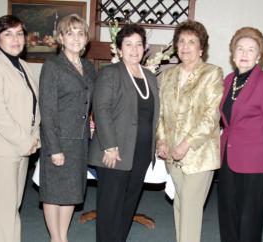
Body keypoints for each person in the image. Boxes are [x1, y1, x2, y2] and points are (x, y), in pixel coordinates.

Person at [88, 23, 159, 242]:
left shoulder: (150, 77)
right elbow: (101, 109)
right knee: (110, 207)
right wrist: (109, 145)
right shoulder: (110, 73)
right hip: (115, 152)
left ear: (145, 48)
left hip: (141, 152)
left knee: (129, 204)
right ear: (119, 49)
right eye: (128, 44)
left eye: (139, 44)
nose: (134, 49)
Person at [156, 20, 223, 242]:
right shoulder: (167, 76)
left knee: (191, 209)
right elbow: (162, 114)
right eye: (181, 42)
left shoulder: (212, 73)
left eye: (191, 42)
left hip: (198, 154)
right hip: (172, 154)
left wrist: (186, 143)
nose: (185, 46)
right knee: (180, 205)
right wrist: (162, 140)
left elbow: (210, 116)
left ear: (201, 48)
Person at [0, 15, 40, 242]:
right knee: (3, 212)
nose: (15, 39)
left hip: (21, 149)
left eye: (19, 34)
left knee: (12, 208)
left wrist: (35, 137)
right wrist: (25, 140)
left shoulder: (23, 65)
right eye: (8, 34)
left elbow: (34, 106)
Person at [218, 27, 263, 242]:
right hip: (227, 157)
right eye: (240, 49)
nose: (244, 54)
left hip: (255, 161)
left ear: (259, 56)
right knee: (227, 212)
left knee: (249, 217)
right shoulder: (228, 80)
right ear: (233, 54)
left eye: (251, 50)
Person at [39, 14, 96, 242]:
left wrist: (90, 121)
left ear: (86, 39)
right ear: (61, 38)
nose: (75, 38)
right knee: (53, 192)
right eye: (70, 33)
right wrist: (54, 148)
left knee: (72, 191)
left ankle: (63, 235)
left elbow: (89, 101)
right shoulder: (52, 66)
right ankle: (56, 238)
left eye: (80, 33)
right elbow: (48, 109)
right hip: (59, 140)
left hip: (80, 140)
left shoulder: (89, 67)